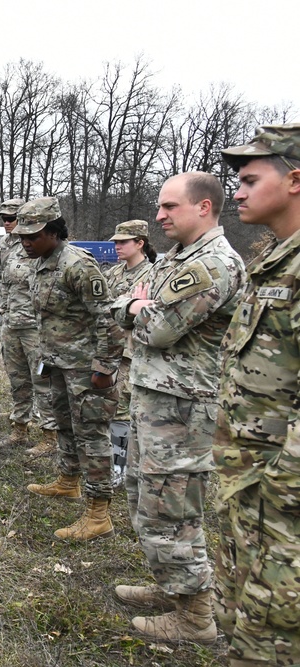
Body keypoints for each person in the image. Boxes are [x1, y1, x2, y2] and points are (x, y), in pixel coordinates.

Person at [110, 172, 244, 643]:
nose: (160, 215)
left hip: (184, 409)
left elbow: (158, 330)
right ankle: (173, 586)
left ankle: (195, 617)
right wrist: (135, 308)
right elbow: (128, 308)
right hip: (156, 399)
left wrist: (135, 311)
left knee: (172, 510)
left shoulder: (212, 264)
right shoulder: (176, 258)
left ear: (203, 207)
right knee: (146, 500)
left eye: (169, 207)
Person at [214, 124, 300, 665]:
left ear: (295, 180)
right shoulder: (275, 259)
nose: (238, 193)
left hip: (282, 503)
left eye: (248, 179)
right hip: (251, 487)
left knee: (273, 638)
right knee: (248, 626)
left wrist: (281, 493)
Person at [18, 197, 124, 541]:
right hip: (58, 362)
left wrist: (105, 367)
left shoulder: (78, 265)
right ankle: (68, 482)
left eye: (32, 236)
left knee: (92, 434)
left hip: (85, 367)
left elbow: (108, 319)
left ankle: (98, 514)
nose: (25, 242)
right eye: (22, 236)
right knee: (64, 423)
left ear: (53, 231)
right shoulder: (42, 262)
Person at [0, 198, 58, 453]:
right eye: (5, 219)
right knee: (17, 378)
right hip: (10, 323)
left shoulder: (39, 245)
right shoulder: (4, 245)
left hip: (35, 325)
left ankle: (49, 435)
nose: (8, 223)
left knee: (42, 379)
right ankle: (19, 427)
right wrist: (1, 306)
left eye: (12, 218)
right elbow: (1, 278)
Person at [102, 220, 156, 486]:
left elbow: (149, 317)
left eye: (123, 242)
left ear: (140, 243)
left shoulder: (153, 275)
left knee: (123, 411)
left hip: (132, 353)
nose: (117, 246)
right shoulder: (113, 273)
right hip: (108, 350)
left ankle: (120, 468)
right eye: (115, 242)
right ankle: (114, 461)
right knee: (107, 408)